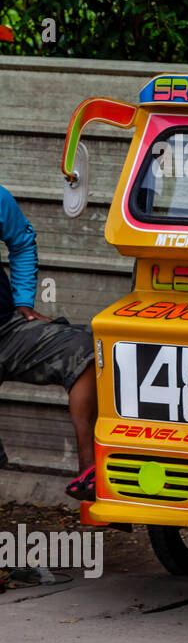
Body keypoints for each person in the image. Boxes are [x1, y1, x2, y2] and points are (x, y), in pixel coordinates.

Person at [0, 185, 98, 495]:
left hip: (7, 330)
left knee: (88, 346)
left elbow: (22, 241)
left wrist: (23, 300)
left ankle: (90, 475)